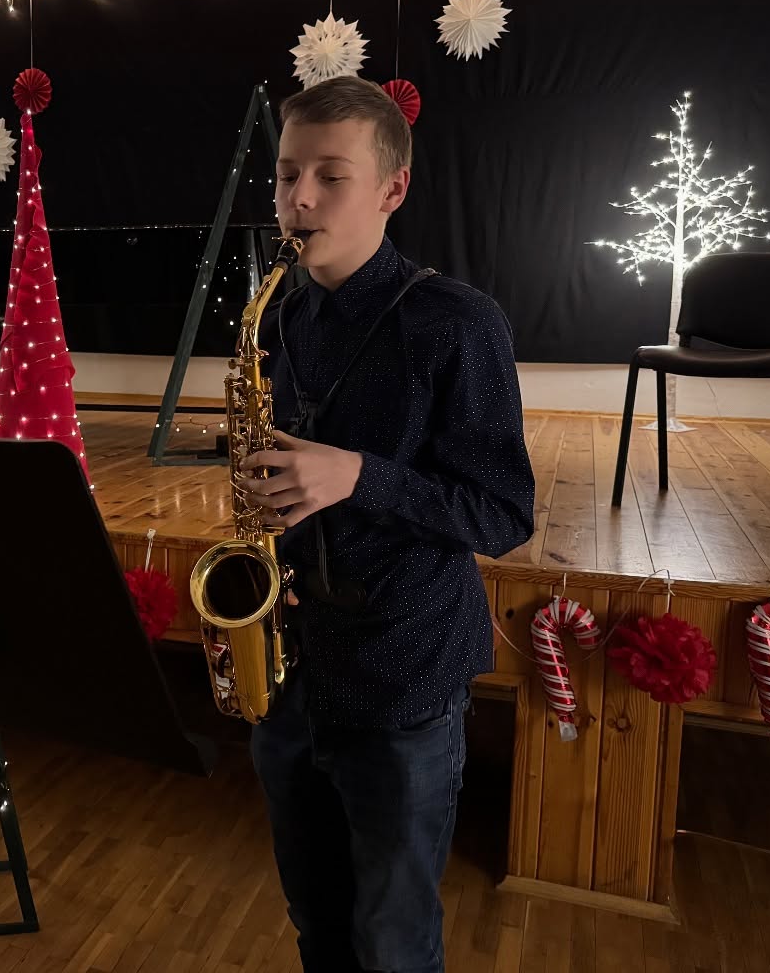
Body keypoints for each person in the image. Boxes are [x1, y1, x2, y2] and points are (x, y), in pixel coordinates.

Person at [237, 75, 536, 973]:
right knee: (317, 921)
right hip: (292, 668)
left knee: (392, 943)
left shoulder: (459, 323)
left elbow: (502, 512)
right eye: (287, 174)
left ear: (393, 189)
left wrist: (359, 477)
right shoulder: (278, 317)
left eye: (331, 176)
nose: (298, 199)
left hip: (399, 675)